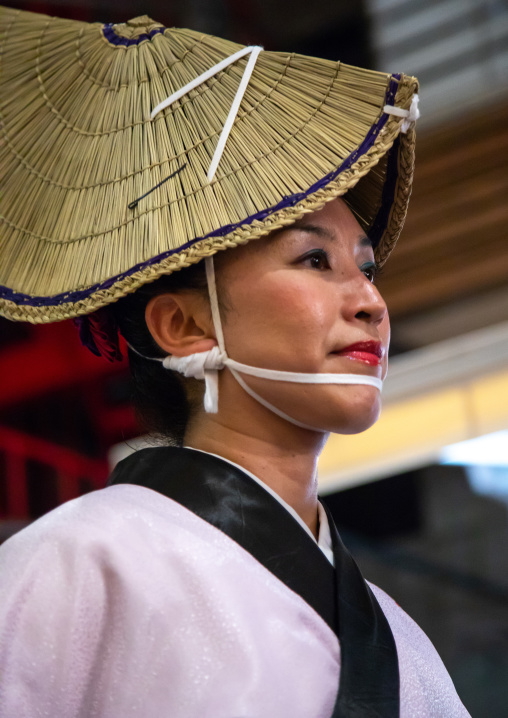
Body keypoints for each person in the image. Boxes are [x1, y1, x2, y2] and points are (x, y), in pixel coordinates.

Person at [0, 6, 469, 717]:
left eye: (367, 268)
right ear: (185, 326)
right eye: (316, 259)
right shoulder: (78, 564)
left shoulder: (400, 640)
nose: (371, 301)